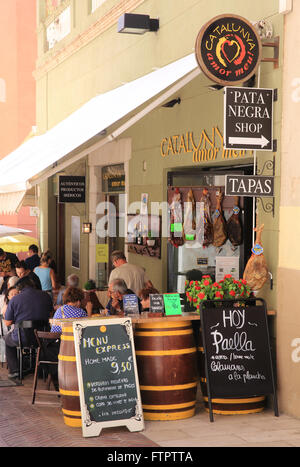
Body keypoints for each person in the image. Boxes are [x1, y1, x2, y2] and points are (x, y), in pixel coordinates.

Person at [3, 276, 53, 380]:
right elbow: (50, 314)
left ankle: (15, 370)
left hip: (22, 338)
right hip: (42, 338)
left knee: (7, 340)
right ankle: (40, 369)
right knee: (40, 345)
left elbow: (7, 323)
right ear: (33, 285)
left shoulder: (15, 299)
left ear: (20, 288)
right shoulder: (46, 296)